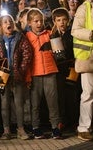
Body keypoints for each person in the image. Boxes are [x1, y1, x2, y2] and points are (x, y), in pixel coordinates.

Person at [0, 14, 33, 140]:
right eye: (5, 22)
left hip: (17, 75)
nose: (8, 23)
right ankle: (6, 130)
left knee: (19, 103)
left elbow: (27, 53)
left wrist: (21, 69)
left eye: (10, 21)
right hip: (2, 76)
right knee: (4, 104)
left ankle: (20, 129)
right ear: (0, 26)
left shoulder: (20, 38)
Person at [71, 0, 93, 141]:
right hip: (90, 57)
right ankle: (83, 129)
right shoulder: (86, 7)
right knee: (88, 93)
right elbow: (75, 30)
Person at [25, 8, 62, 139]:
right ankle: (35, 127)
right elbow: (26, 59)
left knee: (52, 101)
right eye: (36, 21)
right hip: (35, 73)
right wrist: (28, 77)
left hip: (50, 71)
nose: (39, 23)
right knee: (35, 102)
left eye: (41, 21)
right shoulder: (27, 37)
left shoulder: (49, 33)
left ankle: (55, 127)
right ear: (29, 23)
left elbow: (58, 49)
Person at [50, 7, 78, 130]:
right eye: (59, 20)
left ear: (68, 20)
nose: (62, 22)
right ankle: (63, 120)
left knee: (73, 96)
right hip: (59, 71)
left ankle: (74, 121)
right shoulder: (52, 35)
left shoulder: (73, 34)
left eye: (64, 19)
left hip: (72, 69)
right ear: (54, 22)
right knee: (60, 96)